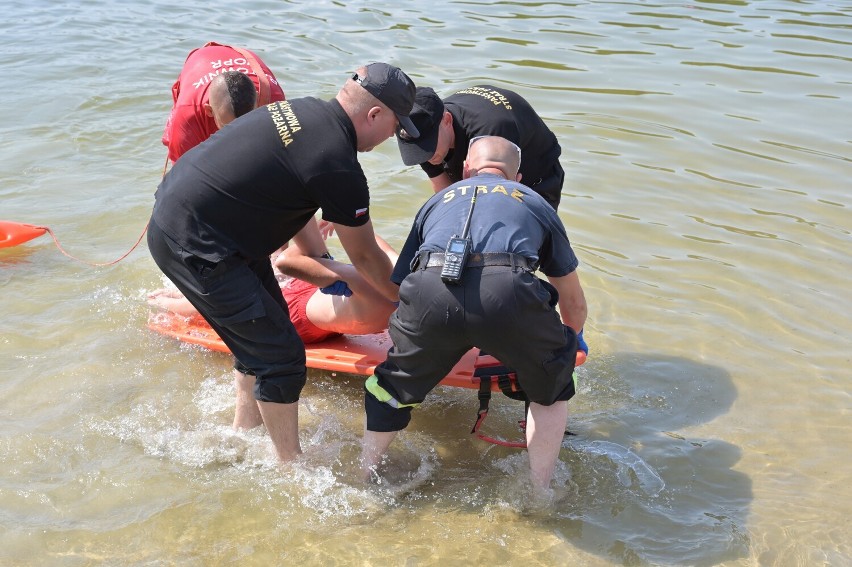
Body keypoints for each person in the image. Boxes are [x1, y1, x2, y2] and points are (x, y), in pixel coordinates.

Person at [147, 62, 420, 463]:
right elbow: (365, 257)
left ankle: (245, 427)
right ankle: (291, 469)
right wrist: (412, 299)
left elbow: (293, 209)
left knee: (263, 332)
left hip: (195, 223)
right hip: (198, 243)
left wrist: (323, 262)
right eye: (395, 127)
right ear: (374, 114)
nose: (392, 138)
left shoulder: (300, 110)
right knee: (282, 359)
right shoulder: (338, 163)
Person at [360, 136, 588, 490]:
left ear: (466, 169)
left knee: (390, 387)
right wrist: (565, 350)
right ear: (517, 177)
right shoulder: (534, 203)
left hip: (430, 290)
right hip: (507, 292)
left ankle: (366, 475)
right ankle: (540, 491)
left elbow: (402, 283)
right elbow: (572, 301)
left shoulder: (435, 202)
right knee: (553, 387)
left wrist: (427, 341)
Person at [148, 218, 398, 341]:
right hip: (325, 300)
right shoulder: (397, 279)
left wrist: (328, 232)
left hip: (298, 318)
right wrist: (343, 222)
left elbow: (286, 262)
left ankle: (162, 302)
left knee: (220, 302)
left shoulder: (367, 280)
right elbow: (377, 249)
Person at [395, 85, 564, 210]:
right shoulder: (419, 128)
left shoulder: (491, 133)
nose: (426, 156)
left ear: (447, 120)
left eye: (428, 147)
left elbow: (490, 208)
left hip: (535, 176)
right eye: (418, 151)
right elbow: (445, 194)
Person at [162, 41, 286, 162]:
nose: (238, 138)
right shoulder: (187, 116)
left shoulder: (273, 100)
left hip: (238, 55)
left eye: (247, 126)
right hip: (199, 61)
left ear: (258, 100)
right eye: (228, 128)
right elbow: (183, 175)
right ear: (209, 110)